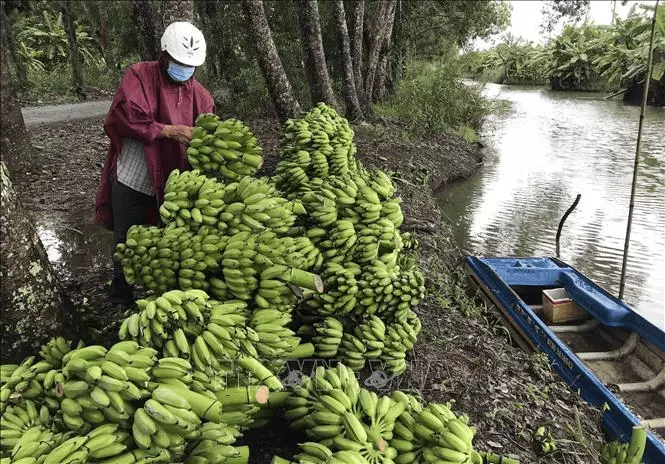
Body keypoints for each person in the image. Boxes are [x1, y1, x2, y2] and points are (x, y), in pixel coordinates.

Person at [94, 22, 214, 308]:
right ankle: (120, 293)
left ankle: (160, 292)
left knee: (167, 235)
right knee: (126, 234)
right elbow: (126, 117)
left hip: (174, 177)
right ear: (163, 56)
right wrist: (174, 131)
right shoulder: (139, 76)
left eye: (190, 66)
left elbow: (210, 133)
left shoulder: (201, 95)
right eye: (179, 63)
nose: (184, 70)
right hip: (135, 174)